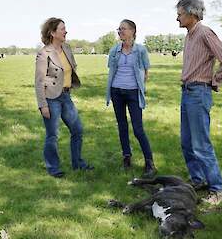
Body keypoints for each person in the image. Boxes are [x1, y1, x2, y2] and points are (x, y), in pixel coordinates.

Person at [176, 0, 222, 205]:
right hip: (186, 93)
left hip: (198, 94)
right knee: (186, 142)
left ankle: (218, 191)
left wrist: (215, 80)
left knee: (201, 145)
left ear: (192, 14)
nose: (177, 17)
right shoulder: (189, 36)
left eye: (180, 13)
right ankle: (198, 180)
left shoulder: (204, 33)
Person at [35, 17, 94, 178]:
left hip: (66, 96)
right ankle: (53, 168)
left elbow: (71, 68)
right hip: (51, 98)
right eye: (62, 29)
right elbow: (39, 81)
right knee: (52, 135)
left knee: (77, 130)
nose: (65, 31)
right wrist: (43, 105)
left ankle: (78, 164)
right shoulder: (44, 53)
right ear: (53, 33)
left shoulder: (67, 48)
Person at [105, 19, 157, 178]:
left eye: (123, 29)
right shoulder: (114, 50)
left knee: (138, 128)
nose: (120, 31)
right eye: (119, 29)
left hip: (133, 92)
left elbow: (146, 72)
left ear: (133, 31)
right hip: (117, 91)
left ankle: (149, 162)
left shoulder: (140, 50)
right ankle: (126, 157)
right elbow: (112, 70)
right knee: (122, 125)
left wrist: (141, 87)